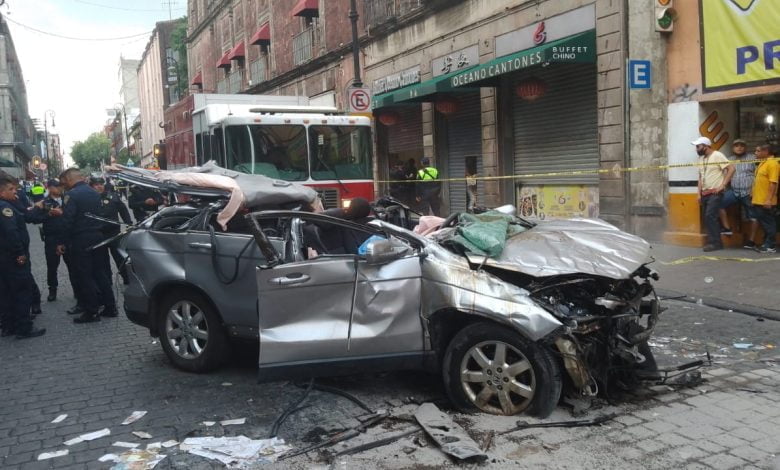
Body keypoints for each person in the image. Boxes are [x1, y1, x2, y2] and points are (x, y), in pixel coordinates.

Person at [56, 168, 117, 323]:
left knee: (85, 275)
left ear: (70, 179)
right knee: (100, 273)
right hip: (97, 236)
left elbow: (68, 220)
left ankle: (92, 311)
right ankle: (110, 307)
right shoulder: (94, 193)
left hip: (81, 239)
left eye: (65, 181)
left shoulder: (72, 195)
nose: (64, 184)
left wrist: (62, 241)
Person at [0, 172, 46, 338]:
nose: (15, 192)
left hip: (3, 257)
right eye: (11, 189)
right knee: (21, 290)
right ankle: (24, 327)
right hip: (13, 257)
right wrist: (19, 253)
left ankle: (9, 325)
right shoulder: (5, 208)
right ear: (1, 192)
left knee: (5, 292)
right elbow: (11, 232)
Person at [28, 179, 68, 302]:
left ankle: (78, 290)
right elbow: (34, 219)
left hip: (67, 237)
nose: (60, 188)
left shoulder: (68, 200)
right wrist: (49, 214)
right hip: (52, 238)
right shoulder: (44, 202)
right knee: (52, 266)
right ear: (50, 188)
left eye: (61, 186)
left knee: (73, 265)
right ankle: (52, 289)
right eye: (57, 186)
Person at [694, 136, 735, 252]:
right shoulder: (701, 159)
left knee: (710, 216)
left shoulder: (717, 155)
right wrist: (698, 194)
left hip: (715, 192)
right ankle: (714, 242)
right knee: (708, 218)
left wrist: (723, 185)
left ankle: (715, 243)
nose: (696, 149)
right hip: (705, 193)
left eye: (698, 146)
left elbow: (731, 168)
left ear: (705, 146)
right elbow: (700, 177)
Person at [90, 176, 133, 284]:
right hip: (99, 234)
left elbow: (123, 211)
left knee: (120, 258)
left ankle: (127, 279)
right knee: (103, 261)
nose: (99, 186)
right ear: (91, 186)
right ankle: (107, 281)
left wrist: (129, 224)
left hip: (114, 233)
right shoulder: (90, 199)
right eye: (96, 185)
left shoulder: (113, 196)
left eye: (101, 184)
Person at [717, 139, 758, 247]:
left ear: (745, 147)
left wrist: (754, 191)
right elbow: (726, 175)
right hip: (734, 191)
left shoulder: (752, 158)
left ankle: (751, 240)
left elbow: (758, 175)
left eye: (742, 145)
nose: (739, 147)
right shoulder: (729, 159)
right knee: (719, 203)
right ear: (733, 148)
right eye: (736, 145)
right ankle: (727, 228)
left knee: (753, 215)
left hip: (748, 192)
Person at [750, 144, 778, 254]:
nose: (755, 153)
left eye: (758, 151)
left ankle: (770, 246)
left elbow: (773, 183)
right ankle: (767, 243)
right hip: (758, 199)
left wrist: (768, 200)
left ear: (766, 152)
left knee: (769, 223)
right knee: (765, 223)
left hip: (765, 201)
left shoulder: (772, 163)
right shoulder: (763, 163)